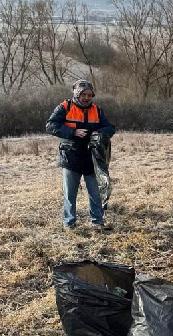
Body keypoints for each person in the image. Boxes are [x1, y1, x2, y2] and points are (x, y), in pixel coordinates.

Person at [46, 80, 116, 229]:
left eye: (90, 95)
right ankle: (69, 223)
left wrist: (100, 133)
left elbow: (110, 128)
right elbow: (51, 125)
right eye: (83, 94)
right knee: (70, 194)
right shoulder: (65, 107)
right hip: (71, 156)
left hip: (92, 157)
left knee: (95, 192)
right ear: (76, 93)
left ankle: (97, 222)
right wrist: (72, 132)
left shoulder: (97, 110)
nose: (86, 97)